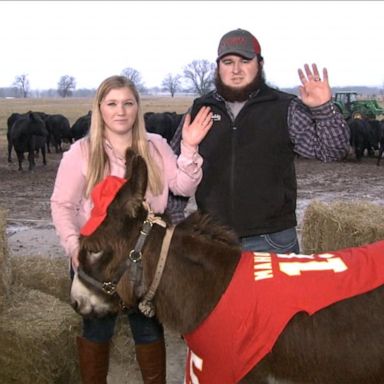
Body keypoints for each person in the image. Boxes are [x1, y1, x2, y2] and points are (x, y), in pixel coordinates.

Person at [50, 75, 212, 384]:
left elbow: (183, 185)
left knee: (149, 327)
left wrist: (189, 148)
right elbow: (61, 205)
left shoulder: (156, 146)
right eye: (112, 103)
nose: (120, 111)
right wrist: (73, 247)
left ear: (137, 107)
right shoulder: (81, 153)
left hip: (145, 259)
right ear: (100, 108)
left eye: (128, 103)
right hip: (100, 260)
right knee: (97, 328)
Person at [167, 28, 350, 254]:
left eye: (245, 60)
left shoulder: (284, 107)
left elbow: (332, 151)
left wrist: (323, 109)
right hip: (211, 239)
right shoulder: (200, 110)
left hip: (272, 239)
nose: (236, 70)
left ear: (260, 64)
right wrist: (176, 221)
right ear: (218, 67)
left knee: (279, 292)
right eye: (228, 61)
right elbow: (173, 169)